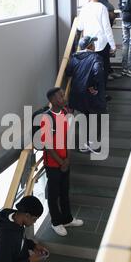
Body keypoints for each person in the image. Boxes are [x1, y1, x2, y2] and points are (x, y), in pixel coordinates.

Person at [41, 87, 84, 237]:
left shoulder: (65, 113)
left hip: (65, 162)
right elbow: (48, 145)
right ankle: (56, 222)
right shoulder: (46, 118)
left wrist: (68, 159)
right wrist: (61, 162)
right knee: (54, 195)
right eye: (60, 96)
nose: (63, 97)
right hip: (53, 165)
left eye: (63, 95)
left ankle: (67, 219)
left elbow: (68, 138)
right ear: (52, 100)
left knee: (65, 192)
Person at [66, 35, 106, 153]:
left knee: (83, 117)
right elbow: (98, 71)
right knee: (93, 118)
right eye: (93, 44)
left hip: (76, 93)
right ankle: (90, 144)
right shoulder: (95, 57)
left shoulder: (74, 57)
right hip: (89, 94)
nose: (94, 46)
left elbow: (68, 72)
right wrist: (95, 87)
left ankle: (83, 144)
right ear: (90, 46)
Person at [77, 0, 116, 88]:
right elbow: (107, 28)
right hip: (101, 44)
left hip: (88, 45)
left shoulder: (84, 8)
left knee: (90, 70)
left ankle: (92, 94)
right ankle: (101, 93)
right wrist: (113, 45)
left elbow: (80, 27)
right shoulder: (103, 8)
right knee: (103, 70)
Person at [93, 0, 121, 80]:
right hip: (101, 30)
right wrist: (111, 14)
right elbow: (105, 9)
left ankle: (109, 70)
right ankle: (106, 73)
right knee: (104, 53)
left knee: (107, 50)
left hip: (107, 26)